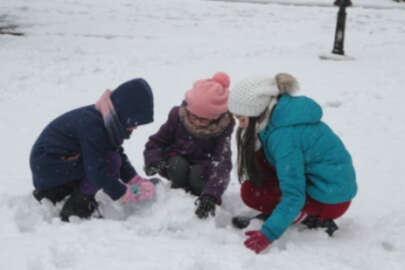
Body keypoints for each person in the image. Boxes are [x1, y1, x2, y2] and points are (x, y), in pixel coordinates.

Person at [228, 73, 357, 253]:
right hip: (320, 186)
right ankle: (285, 213)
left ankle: (308, 217)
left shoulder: (284, 137)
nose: (240, 126)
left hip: (330, 199)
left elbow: (294, 194)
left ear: (256, 111)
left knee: (252, 193)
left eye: (242, 119)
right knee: (254, 184)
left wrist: (268, 233)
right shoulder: (277, 117)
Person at [30, 78, 157, 221]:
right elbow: (96, 169)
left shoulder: (107, 119)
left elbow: (115, 150)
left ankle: (58, 192)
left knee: (108, 160)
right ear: (124, 114)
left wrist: (133, 179)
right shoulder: (93, 127)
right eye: (134, 122)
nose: (135, 127)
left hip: (59, 164)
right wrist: (123, 194)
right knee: (109, 163)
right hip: (49, 166)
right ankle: (76, 208)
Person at [143, 72, 234, 219]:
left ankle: (199, 195)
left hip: (203, 168)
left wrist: (211, 195)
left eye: (203, 120)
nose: (197, 122)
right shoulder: (177, 116)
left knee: (198, 175)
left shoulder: (223, 128)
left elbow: (222, 163)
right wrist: (153, 161)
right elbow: (156, 142)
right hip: (177, 162)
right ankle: (178, 191)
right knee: (177, 165)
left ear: (216, 118)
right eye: (194, 116)